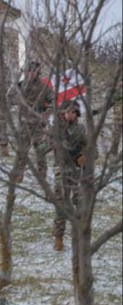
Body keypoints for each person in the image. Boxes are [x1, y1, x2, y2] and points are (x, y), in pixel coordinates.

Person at [53, 100, 88, 252]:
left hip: (75, 169)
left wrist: (84, 157)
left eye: (74, 112)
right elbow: (46, 145)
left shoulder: (81, 129)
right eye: (68, 112)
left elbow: (90, 147)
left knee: (79, 201)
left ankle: (80, 234)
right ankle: (58, 237)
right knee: (61, 202)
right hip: (61, 168)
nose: (70, 115)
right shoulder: (57, 128)